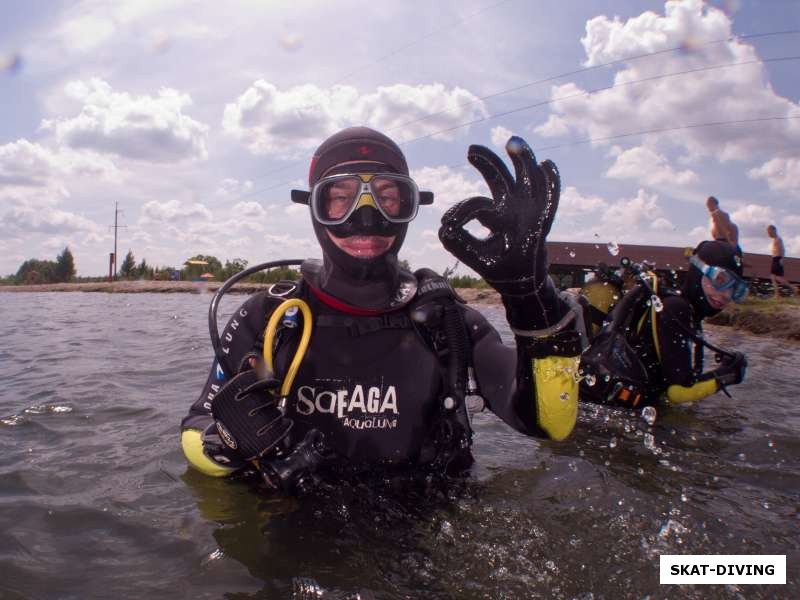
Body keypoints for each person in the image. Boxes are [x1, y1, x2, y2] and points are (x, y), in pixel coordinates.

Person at [180, 127, 585, 493]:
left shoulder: (447, 323)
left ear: (411, 206)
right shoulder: (271, 320)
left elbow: (548, 423)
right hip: (295, 533)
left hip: (427, 538)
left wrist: (531, 301)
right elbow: (197, 431)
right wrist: (233, 443)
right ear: (313, 208)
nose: (367, 218)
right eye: (339, 198)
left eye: (390, 198)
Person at [580, 240, 747, 408]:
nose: (726, 294)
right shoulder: (676, 308)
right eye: (720, 279)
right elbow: (679, 392)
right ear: (698, 270)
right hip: (606, 409)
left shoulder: (682, 310)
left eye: (736, 288)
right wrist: (729, 375)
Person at [767, 224, 796, 298]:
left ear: (774, 230)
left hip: (778, 259)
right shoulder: (775, 239)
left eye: (770, 232)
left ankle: (793, 288)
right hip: (775, 259)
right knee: (773, 277)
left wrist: (782, 259)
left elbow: (783, 249)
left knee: (778, 277)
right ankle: (777, 295)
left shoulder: (778, 239)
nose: (769, 234)